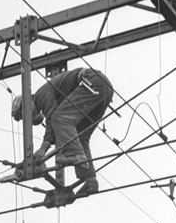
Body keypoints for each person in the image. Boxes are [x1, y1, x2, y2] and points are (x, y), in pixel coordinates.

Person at [12, 66, 114, 197]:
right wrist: (45, 147)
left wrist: (43, 149)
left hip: (91, 81)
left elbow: (53, 117)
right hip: (100, 87)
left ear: (25, 103)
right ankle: (90, 180)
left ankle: (76, 156)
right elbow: (55, 125)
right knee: (79, 136)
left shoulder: (40, 95)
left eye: (24, 113)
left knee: (60, 118)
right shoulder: (46, 98)